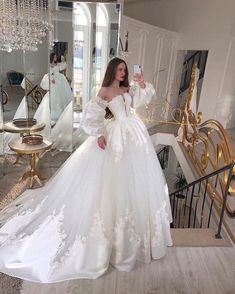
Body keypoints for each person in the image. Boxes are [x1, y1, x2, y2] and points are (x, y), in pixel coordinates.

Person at [0, 57, 172, 283]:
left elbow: (144, 99)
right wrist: (99, 134)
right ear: (112, 70)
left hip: (134, 138)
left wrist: (142, 82)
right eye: (119, 69)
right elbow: (90, 116)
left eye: (125, 70)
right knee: (112, 185)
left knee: (136, 183)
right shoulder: (106, 91)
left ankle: (134, 240)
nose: (123, 72)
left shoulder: (127, 88)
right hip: (116, 137)